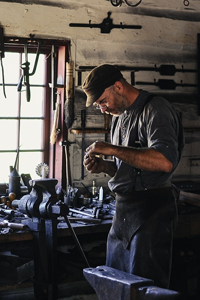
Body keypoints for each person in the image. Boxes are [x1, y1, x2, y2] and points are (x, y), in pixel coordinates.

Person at [82, 64, 184, 289]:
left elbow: (164, 161)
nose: (102, 109)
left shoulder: (155, 109)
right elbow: (129, 167)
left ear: (118, 86)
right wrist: (105, 166)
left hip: (152, 211)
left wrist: (113, 149)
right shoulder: (119, 117)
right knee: (116, 284)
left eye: (102, 101)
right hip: (124, 212)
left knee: (144, 288)